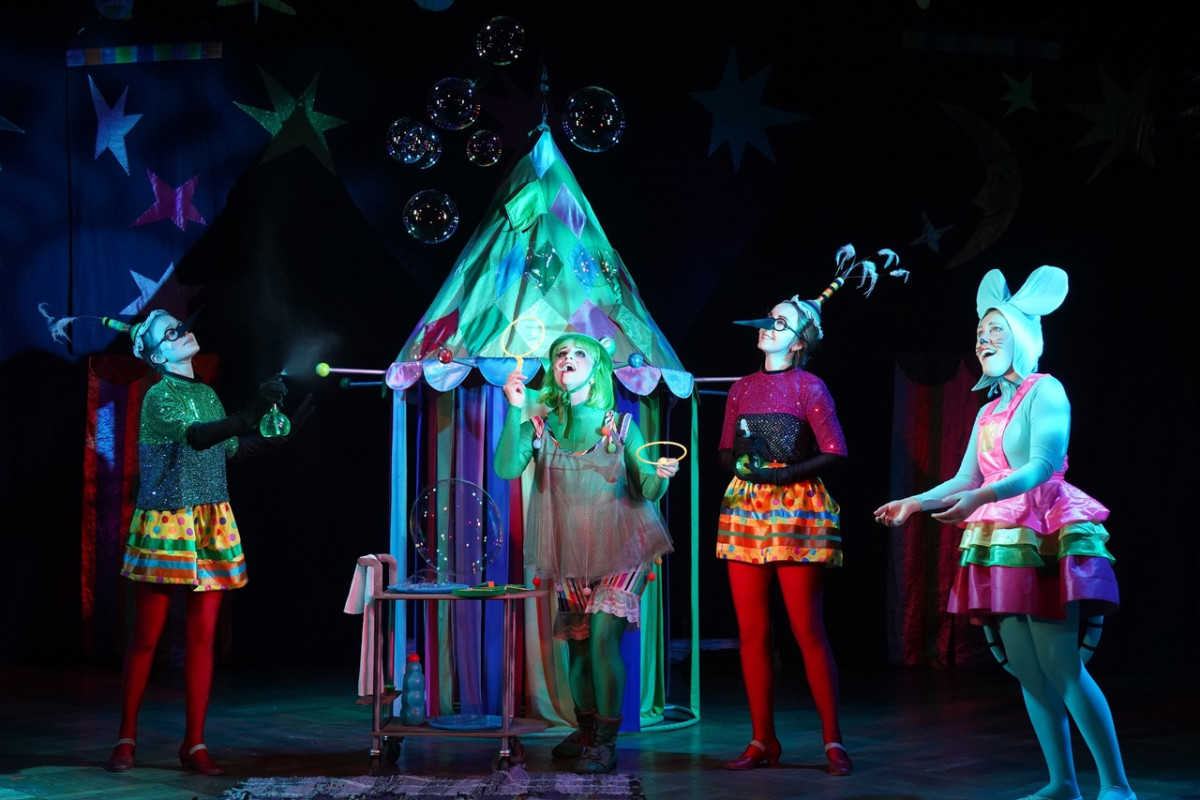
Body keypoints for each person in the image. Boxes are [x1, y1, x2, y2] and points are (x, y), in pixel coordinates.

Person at [873, 266, 1135, 800]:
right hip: (1003, 539)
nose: (984, 340)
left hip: (1042, 533)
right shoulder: (987, 410)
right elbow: (964, 479)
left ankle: (1116, 785)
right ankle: (1062, 782)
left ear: (1022, 337)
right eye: (979, 332)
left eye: (996, 330)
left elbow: (1042, 465)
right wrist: (915, 503)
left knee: (1061, 667)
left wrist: (982, 498)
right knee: (1028, 670)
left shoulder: (1046, 390)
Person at [101, 309, 305, 776]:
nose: (183, 332)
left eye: (181, 326)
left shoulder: (208, 394)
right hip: (168, 523)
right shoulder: (158, 396)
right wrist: (250, 412)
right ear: (156, 355)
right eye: (170, 333)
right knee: (146, 637)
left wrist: (274, 437)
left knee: (203, 637)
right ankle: (126, 737)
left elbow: (230, 448)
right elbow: (197, 437)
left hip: (211, 521)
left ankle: (194, 743)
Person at [495, 332, 677, 775]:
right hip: (571, 552)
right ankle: (586, 729)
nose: (567, 358)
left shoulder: (620, 425)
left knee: (600, 639)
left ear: (596, 369)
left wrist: (662, 473)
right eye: (561, 354)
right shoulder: (541, 426)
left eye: (579, 353)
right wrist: (515, 408)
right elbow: (505, 468)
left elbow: (648, 489)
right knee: (577, 647)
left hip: (622, 550)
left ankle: (605, 742)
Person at [716, 283, 854, 776]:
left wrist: (783, 474)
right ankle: (762, 740)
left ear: (797, 342)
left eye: (780, 322)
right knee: (751, 632)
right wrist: (740, 460)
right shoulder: (741, 388)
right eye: (767, 317)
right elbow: (725, 453)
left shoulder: (809, 387)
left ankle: (833, 740)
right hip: (746, 508)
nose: (767, 326)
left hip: (796, 510)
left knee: (806, 629)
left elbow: (835, 451)